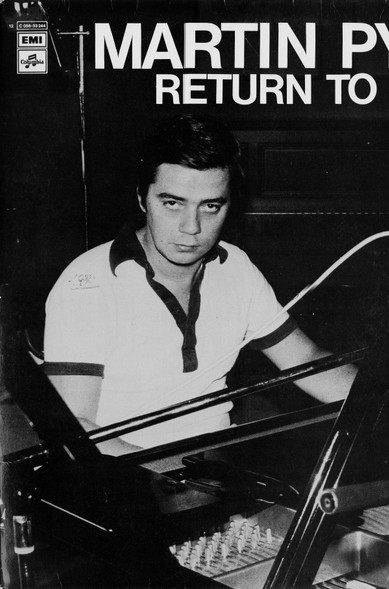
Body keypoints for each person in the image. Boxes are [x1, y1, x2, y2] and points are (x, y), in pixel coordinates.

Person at [43, 115, 357, 455]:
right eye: (172, 203)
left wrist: (380, 400)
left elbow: (306, 359)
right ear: (142, 199)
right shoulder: (86, 284)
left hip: (217, 466)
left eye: (210, 206)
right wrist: (165, 478)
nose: (191, 227)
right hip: (125, 473)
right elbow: (75, 425)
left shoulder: (235, 266)